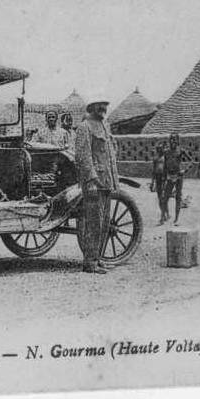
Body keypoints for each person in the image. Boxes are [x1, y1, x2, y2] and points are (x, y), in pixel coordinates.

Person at [75, 96, 119, 275]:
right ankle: (90, 262)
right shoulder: (84, 127)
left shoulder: (104, 126)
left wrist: (114, 180)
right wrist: (91, 181)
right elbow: (83, 157)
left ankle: (98, 258)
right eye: (100, 105)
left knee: (104, 223)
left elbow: (110, 155)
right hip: (94, 183)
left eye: (105, 104)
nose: (104, 108)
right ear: (92, 107)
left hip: (106, 181)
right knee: (94, 223)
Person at [161, 133, 193, 226]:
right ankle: (164, 216)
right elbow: (165, 166)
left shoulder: (180, 151)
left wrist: (185, 170)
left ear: (178, 141)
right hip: (170, 177)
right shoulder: (166, 152)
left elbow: (191, 161)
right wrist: (164, 178)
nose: (173, 141)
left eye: (175, 139)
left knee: (178, 198)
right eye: (171, 139)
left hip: (179, 176)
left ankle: (176, 218)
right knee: (165, 197)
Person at [150, 142, 169, 225]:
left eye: (161, 149)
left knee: (163, 198)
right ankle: (165, 214)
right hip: (158, 178)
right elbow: (153, 171)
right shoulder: (156, 158)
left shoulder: (166, 158)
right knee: (160, 197)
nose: (160, 150)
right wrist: (152, 182)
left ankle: (162, 217)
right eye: (158, 149)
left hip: (164, 178)